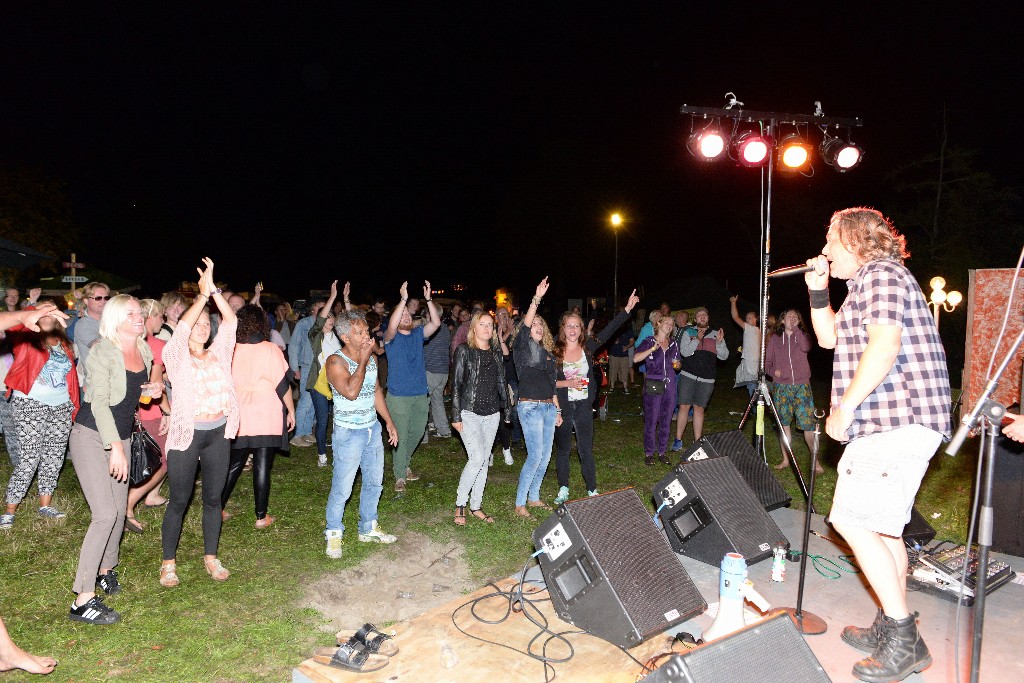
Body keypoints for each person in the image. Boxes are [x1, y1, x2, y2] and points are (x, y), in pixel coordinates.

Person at [805, 207, 950, 682]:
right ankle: (892, 625)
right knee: (885, 530)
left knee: (851, 519)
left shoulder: (883, 275)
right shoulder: (864, 285)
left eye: (830, 239)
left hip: (898, 418)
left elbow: (884, 346)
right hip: (894, 423)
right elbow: (827, 337)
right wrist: (817, 287)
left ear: (854, 240)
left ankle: (906, 639)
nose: (824, 247)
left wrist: (844, 407)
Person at [68, 294, 160, 624]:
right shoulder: (102, 351)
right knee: (105, 514)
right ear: (116, 319)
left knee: (119, 511)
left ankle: (106, 569)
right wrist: (116, 448)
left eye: (140, 312)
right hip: (91, 436)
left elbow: (148, 380)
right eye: (131, 313)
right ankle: (82, 598)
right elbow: (100, 404)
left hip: (121, 436)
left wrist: (156, 383)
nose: (140, 316)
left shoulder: (144, 348)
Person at [159, 259, 238, 587]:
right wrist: (201, 298)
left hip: (218, 433)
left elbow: (231, 321)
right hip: (187, 436)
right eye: (198, 324)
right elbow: (180, 331)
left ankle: (211, 556)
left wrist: (214, 290)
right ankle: (168, 562)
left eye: (207, 324)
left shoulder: (219, 353)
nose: (203, 327)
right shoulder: (176, 357)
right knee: (179, 499)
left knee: (213, 498)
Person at [324, 311, 399, 559]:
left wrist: (388, 421)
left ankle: (368, 527)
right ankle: (334, 533)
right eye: (360, 333)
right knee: (343, 488)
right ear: (345, 336)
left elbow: (375, 391)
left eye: (367, 330)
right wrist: (365, 359)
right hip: (348, 434)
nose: (367, 336)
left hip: (371, 429)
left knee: (374, 483)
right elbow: (351, 391)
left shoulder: (371, 361)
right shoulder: (335, 362)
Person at [552, 290, 640, 503]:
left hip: (582, 407)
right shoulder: (553, 350)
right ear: (563, 329)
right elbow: (546, 382)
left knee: (585, 450)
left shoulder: (588, 348)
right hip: (562, 407)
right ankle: (563, 488)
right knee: (563, 450)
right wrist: (555, 407)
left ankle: (592, 489)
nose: (573, 329)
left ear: (581, 329)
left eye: (577, 325)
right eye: (569, 325)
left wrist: (626, 310)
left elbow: (609, 330)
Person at [0, 302, 80, 529]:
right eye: (43, 308)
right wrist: (28, 313)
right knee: (29, 457)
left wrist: (73, 405)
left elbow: (71, 378)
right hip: (30, 403)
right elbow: (12, 325)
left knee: (54, 456)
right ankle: (9, 509)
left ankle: (45, 504)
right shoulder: (25, 337)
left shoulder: (64, 343)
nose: (48, 312)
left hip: (61, 405)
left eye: (52, 309)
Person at [221, 304, 295, 528]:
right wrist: (291, 410)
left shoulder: (231, 350)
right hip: (267, 413)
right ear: (263, 324)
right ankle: (261, 517)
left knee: (234, 464)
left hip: (241, 413)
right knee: (263, 466)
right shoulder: (271, 349)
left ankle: (218, 508)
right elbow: (283, 385)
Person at [450, 311, 510, 524]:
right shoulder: (464, 351)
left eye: (489, 325)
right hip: (469, 412)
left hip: (492, 413)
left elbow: (502, 382)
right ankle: (460, 503)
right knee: (476, 459)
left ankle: (476, 505)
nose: (486, 328)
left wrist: (507, 409)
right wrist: (455, 415)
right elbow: (456, 384)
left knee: (484, 461)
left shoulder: (495, 353)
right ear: (474, 328)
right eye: (482, 324)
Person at [383, 280, 441, 492]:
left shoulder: (418, 335)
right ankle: (400, 475)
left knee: (416, 432)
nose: (406, 316)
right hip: (398, 395)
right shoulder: (391, 338)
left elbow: (436, 323)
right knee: (399, 434)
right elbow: (390, 326)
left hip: (419, 394)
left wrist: (429, 299)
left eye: (409, 314)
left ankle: (404, 463)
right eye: (402, 315)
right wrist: (403, 300)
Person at [512, 277, 563, 517]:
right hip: (530, 407)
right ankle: (520, 503)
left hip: (548, 408)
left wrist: (558, 410)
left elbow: (552, 386)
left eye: (541, 325)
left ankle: (534, 497)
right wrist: (536, 299)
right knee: (534, 456)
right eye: (535, 325)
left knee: (545, 457)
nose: (538, 328)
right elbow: (524, 328)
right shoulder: (522, 348)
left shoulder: (549, 355)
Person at [123, 299, 171, 534]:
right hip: (148, 411)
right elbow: (156, 386)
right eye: (160, 316)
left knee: (145, 458)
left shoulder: (126, 341)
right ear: (150, 317)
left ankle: (151, 495)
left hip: (126, 411)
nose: (162, 321)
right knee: (164, 459)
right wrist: (167, 411)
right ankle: (128, 505)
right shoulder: (157, 345)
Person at [764, 308, 820, 473]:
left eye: (796, 316)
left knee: (809, 425)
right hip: (782, 387)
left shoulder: (803, 336)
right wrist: (774, 372)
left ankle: (815, 461)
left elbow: (805, 348)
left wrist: (796, 329)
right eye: (789, 316)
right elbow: (767, 363)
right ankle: (786, 459)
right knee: (784, 424)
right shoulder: (774, 338)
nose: (792, 318)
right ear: (782, 321)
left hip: (802, 386)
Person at [673, 308, 729, 450]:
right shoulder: (688, 332)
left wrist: (720, 343)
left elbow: (724, 356)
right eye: (699, 315)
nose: (702, 317)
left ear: (708, 318)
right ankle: (678, 439)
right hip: (688, 375)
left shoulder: (717, 334)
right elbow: (684, 352)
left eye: (704, 315)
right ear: (695, 319)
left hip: (707, 378)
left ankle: (697, 442)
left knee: (699, 409)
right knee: (684, 406)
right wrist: (697, 339)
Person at [634, 313, 680, 465]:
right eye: (666, 322)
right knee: (652, 420)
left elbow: (677, 362)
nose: (669, 325)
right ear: (658, 324)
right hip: (654, 382)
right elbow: (636, 358)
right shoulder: (649, 341)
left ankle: (662, 452)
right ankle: (649, 453)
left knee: (666, 420)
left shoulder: (673, 343)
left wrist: (677, 364)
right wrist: (653, 349)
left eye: (672, 324)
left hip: (670, 384)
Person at [307, 281, 344, 466]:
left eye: (332, 317)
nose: (330, 319)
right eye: (326, 316)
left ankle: (339, 449)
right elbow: (319, 321)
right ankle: (322, 454)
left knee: (340, 418)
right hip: (319, 384)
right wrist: (331, 297)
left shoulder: (337, 337)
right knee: (323, 420)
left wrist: (344, 299)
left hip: (337, 383)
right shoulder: (315, 335)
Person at [288, 297, 326, 447]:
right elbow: (294, 346)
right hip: (307, 366)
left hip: (321, 368)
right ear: (313, 309)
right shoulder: (304, 324)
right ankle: (297, 435)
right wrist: (295, 367)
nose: (323, 310)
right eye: (319, 307)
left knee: (314, 401)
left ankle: (307, 431)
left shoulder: (325, 325)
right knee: (306, 401)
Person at [72, 281, 111, 387]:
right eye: (98, 298)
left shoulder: (111, 321)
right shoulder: (83, 324)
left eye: (106, 298)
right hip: (95, 385)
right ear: (86, 301)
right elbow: (101, 350)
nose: (103, 301)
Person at [729, 295, 760, 397]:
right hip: (752, 361)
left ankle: (755, 409)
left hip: (752, 363)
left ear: (756, 319)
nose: (747, 320)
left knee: (752, 387)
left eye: (750, 318)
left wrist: (733, 303)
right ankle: (755, 409)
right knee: (752, 386)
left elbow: (735, 317)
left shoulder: (751, 329)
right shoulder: (758, 331)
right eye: (746, 318)